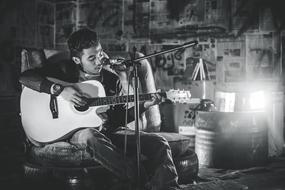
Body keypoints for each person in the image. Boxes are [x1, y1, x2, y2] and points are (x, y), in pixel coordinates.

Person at [19, 28, 181, 190]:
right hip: (76, 132)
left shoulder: (111, 79)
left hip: (108, 131)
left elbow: (119, 118)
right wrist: (60, 90)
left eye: (100, 53)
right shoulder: (64, 70)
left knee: (159, 142)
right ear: (77, 60)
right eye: (91, 58)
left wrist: (144, 105)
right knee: (91, 136)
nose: (99, 60)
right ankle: (139, 182)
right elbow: (25, 78)